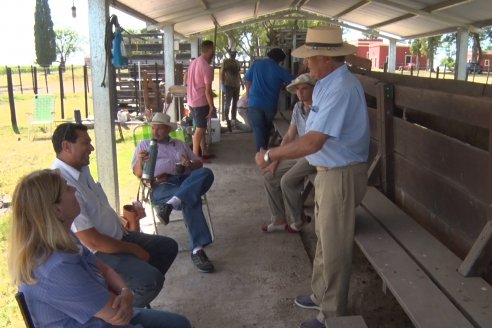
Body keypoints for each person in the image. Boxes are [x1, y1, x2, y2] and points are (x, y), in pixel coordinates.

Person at [254, 26, 370, 328]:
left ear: (326, 58)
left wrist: (270, 155)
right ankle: (321, 295)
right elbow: (310, 139)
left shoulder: (341, 87)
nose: (307, 64)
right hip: (330, 172)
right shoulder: (330, 84)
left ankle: (331, 315)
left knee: (334, 248)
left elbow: (312, 141)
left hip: (340, 175)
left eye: (311, 58)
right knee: (324, 239)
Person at [7, 169, 191, 328]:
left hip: (103, 317)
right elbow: (118, 318)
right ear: (56, 211)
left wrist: (126, 292)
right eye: (68, 188)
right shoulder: (56, 268)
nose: (74, 190)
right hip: (100, 322)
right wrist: (123, 299)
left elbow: (104, 267)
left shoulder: (62, 236)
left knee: (178, 323)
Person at [51, 123, 178, 308]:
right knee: (151, 281)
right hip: (99, 252)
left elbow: (99, 210)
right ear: (66, 146)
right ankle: (121, 312)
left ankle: (128, 293)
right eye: (86, 143)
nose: (92, 148)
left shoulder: (81, 170)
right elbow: (92, 242)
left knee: (167, 247)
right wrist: (133, 249)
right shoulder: (62, 184)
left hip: (118, 236)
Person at [132, 113, 215, 274]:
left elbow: (198, 164)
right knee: (191, 198)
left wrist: (189, 163)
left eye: (159, 128)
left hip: (185, 180)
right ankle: (197, 249)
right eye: (153, 127)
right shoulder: (144, 145)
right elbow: (137, 174)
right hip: (162, 185)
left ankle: (171, 204)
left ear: (168, 130)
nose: (155, 132)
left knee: (206, 173)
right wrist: (141, 160)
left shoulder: (179, 144)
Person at [260, 73, 317, 233]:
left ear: (314, 89)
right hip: (300, 153)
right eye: (297, 89)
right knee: (270, 176)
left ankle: (299, 220)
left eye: (304, 88)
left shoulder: (320, 107)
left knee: (287, 181)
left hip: (316, 154)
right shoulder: (298, 108)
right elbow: (289, 136)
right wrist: (275, 161)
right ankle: (278, 219)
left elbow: (314, 144)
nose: (300, 92)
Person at [244, 47, 294, 151]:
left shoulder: (256, 65)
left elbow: (248, 81)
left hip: (254, 104)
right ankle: (264, 153)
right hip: (270, 106)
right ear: (280, 60)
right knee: (266, 130)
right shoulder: (279, 70)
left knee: (259, 130)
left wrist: (248, 97)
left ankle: (261, 154)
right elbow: (294, 81)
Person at [187, 40, 216, 161]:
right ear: (209, 50)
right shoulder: (206, 67)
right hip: (200, 101)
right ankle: (195, 157)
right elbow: (207, 90)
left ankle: (203, 151)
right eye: (213, 50)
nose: (214, 53)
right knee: (199, 129)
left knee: (201, 127)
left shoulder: (194, 62)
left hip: (191, 100)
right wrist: (211, 106)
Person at [221, 48, 243, 131]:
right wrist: (223, 83)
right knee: (228, 103)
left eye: (235, 53)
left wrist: (241, 83)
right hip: (228, 84)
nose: (234, 54)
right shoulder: (226, 62)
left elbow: (238, 73)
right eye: (233, 53)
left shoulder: (237, 62)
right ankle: (227, 119)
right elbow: (222, 72)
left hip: (236, 85)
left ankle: (234, 118)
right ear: (230, 53)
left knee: (235, 103)